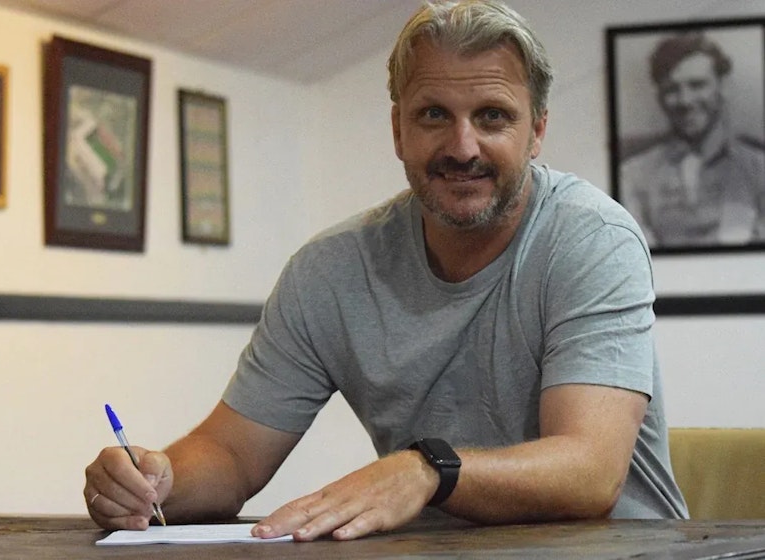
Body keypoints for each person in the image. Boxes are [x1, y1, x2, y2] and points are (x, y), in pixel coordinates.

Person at [85, 0, 689, 541]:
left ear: (537, 131)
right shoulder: (329, 271)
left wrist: (427, 470)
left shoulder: (591, 239)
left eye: (492, 117)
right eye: (434, 115)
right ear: (398, 130)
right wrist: (156, 482)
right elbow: (232, 454)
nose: (463, 147)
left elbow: (590, 472)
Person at [620, 32, 765, 248]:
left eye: (697, 85)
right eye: (672, 90)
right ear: (659, 97)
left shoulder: (758, 168)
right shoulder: (633, 175)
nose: (685, 101)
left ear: (723, 86)